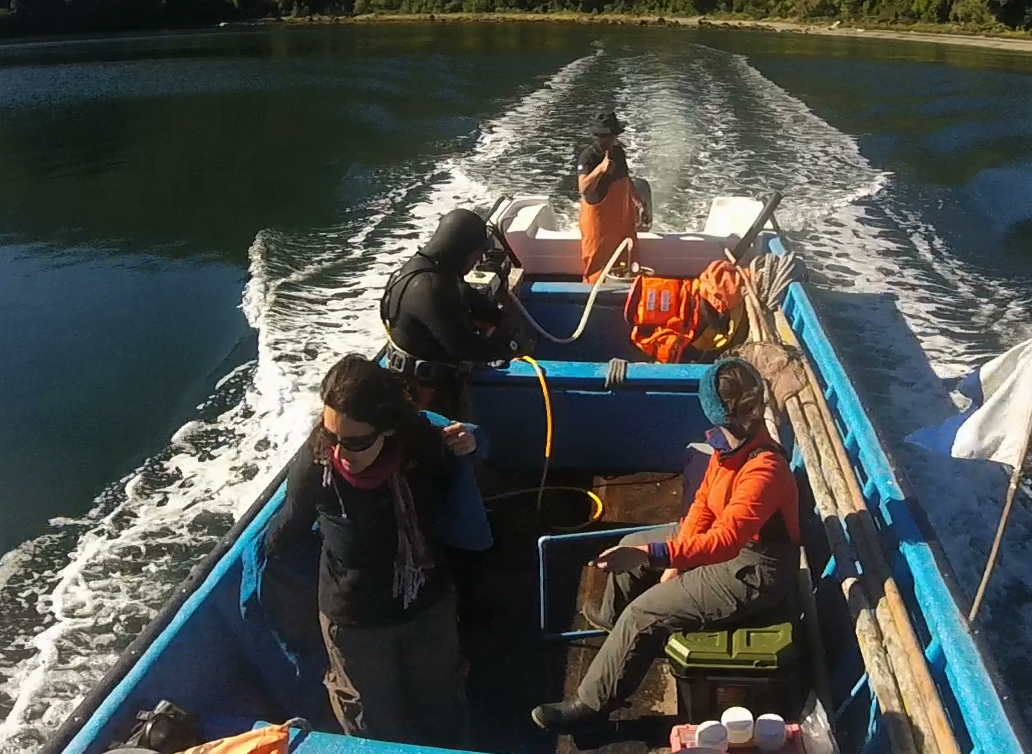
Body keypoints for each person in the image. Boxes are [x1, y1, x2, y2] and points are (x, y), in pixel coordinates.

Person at [530, 357, 801, 731]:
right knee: (632, 543)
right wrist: (674, 561)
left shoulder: (764, 469)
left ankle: (590, 707)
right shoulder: (730, 445)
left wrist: (659, 555)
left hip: (753, 570)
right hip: (724, 547)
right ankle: (615, 627)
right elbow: (704, 503)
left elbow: (727, 541)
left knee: (644, 612)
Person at [262, 355, 486, 747]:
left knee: (441, 699)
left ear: (388, 428)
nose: (341, 453)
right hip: (355, 622)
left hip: (427, 605)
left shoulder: (422, 444)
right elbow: (285, 531)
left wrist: (474, 439)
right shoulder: (316, 465)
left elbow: (467, 460)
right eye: (331, 436)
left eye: (355, 442)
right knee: (371, 717)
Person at [379, 207, 518, 417]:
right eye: (475, 257)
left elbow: (464, 294)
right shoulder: (431, 287)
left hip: (415, 381)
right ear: (466, 252)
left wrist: (495, 315)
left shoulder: (419, 269)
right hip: (427, 397)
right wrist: (511, 346)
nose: (474, 265)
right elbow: (465, 347)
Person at [575, 110, 643, 283]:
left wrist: (638, 202)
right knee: (595, 258)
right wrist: (600, 169)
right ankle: (593, 289)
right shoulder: (587, 157)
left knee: (625, 254)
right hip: (597, 219)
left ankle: (626, 285)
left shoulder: (618, 152)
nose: (608, 140)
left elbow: (626, 179)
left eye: (611, 136)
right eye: (603, 136)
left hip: (620, 215)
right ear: (596, 136)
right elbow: (583, 188)